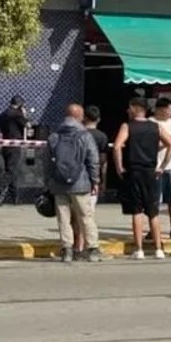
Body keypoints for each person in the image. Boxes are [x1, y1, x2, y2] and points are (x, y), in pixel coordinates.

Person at [113, 98, 171, 259]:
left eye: (129, 108)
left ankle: (139, 249)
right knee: (153, 212)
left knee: (136, 211)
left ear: (135, 108)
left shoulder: (127, 126)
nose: (127, 111)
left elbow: (118, 145)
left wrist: (119, 167)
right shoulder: (156, 126)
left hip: (134, 171)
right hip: (151, 172)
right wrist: (162, 166)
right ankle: (158, 248)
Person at [46, 104, 102, 263]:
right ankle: (92, 249)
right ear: (80, 116)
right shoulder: (85, 136)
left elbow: (47, 163)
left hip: (59, 184)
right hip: (81, 183)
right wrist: (95, 181)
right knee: (85, 216)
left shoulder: (54, 136)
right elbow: (93, 160)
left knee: (63, 217)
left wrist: (48, 181)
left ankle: (67, 250)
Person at [72, 105, 109, 256]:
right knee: (87, 214)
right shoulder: (102, 137)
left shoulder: (77, 134)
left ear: (84, 118)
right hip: (92, 180)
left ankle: (77, 246)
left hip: (76, 179)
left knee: (75, 214)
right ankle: (87, 245)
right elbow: (103, 161)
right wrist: (102, 180)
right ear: (99, 119)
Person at [152, 98, 171, 239]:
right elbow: (155, 143)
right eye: (169, 109)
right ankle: (153, 229)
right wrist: (169, 141)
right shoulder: (151, 123)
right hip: (156, 167)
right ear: (160, 109)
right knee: (154, 200)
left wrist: (167, 140)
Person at [0, 95, 30, 206]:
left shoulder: (5, 113)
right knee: (11, 171)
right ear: (20, 104)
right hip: (15, 145)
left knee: (12, 171)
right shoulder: (17, 113)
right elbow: (28, 125)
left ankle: (15, 198)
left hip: (5, 145)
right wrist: (25, 114)